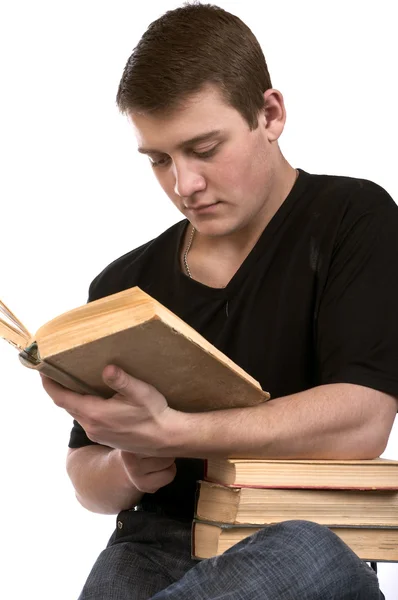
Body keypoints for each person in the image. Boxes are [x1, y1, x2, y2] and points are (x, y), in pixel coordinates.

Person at [42, 3, 398, 599]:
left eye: (204, 149)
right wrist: (128, 465)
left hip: (304, 532)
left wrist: (176, 432)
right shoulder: (123, 286)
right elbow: (86, 479)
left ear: (270, 113)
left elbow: (363, 422)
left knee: (301, 552)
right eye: (159, 160)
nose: (184, 186)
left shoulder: (354, 220)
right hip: (155, 538)